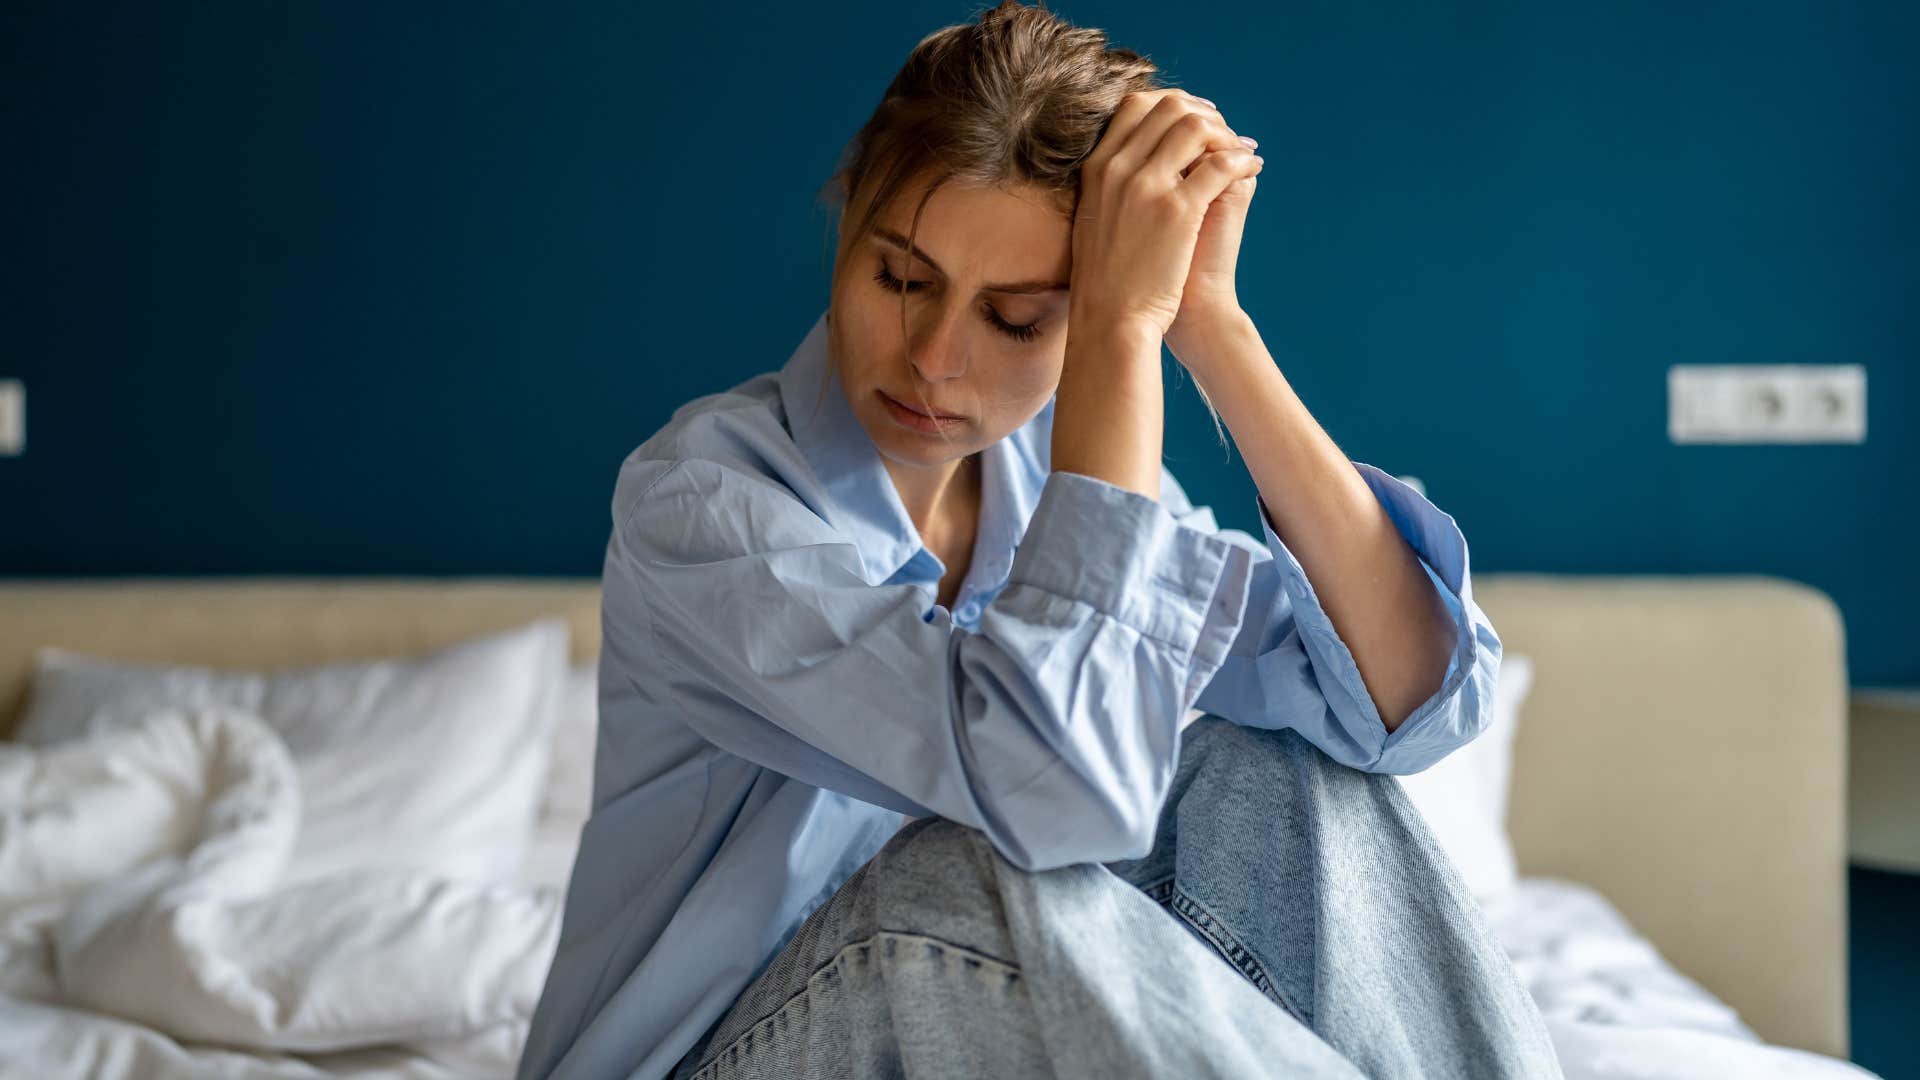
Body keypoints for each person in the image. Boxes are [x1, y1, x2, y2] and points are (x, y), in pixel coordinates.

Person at [516, 2, 1561, 1078]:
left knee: (1279, 773)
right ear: (846, 223)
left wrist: (1206, 322)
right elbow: (1056, 794)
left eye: (1016, 319)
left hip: (954, 1037)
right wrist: (1113, 337)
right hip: (710, 1060)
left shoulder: (1060, 494)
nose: (932, 356)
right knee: (976, 878)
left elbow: (1400, 703)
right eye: (902, 279)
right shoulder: (703, 506)